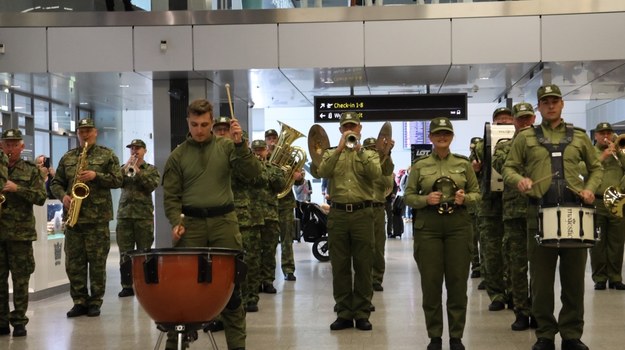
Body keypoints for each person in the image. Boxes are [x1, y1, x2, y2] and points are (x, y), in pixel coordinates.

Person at [503, 84, 602, 350]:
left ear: (562, 104)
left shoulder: (579, 137)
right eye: (545, 101)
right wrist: (519, 180)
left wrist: (591, 189)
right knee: (541, 281)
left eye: (554, 100)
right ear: (538, 106)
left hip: (574, 213)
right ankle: (545, 333)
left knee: (574, 280)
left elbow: (596, 168)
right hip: (539, 212)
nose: (550, 105)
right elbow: (508, 167)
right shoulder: (525, 138)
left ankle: (571, 334)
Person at [162, 99, 260, 350]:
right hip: (191, 223)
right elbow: (171, 197)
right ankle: (176, 345)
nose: (199, 129)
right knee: (181, 289)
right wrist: (175, 222)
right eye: (194, 124)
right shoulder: (178, 155)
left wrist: (241, 145)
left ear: (213, 122)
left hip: (223, 222)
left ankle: (237, 346)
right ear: (188, 122)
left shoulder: (228, 147)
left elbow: (251, 174)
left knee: (232, 290)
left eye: (205, 124)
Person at [404, 117, 480, 350]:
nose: (442, 137)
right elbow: (407, 196)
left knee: (457, 284)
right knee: (431, 284)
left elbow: (477, 194)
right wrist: (424, 199)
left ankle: (456, 337)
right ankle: (435, 337)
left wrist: (464, 198)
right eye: (438, 133)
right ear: (430, 138)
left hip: (458, 227)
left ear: (452, 136)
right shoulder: (419, 166)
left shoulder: (464, 164)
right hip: (429, 229)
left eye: (446, 133)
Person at [314, 111, 387, 332]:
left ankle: (363, 312)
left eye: (352, 127)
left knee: (364, 264)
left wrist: (359, 151)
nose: (349, 130)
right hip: (338, 214)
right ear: (340, 130)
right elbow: (321, 172)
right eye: (345, 127)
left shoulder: (369, 154)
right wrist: (337, 150)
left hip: (362, 214)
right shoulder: (329, 154)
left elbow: (375, 174)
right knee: (340, 265)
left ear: (359, 129)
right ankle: (344, 312)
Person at [50, 117, 123, 318]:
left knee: (98, 263)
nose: (85, 134)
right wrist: (63, 196)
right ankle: (79, 301)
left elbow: (119, 180)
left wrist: (96, 176)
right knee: (74, 264)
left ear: (95, 132)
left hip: (98, 219)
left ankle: (95, 301)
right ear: (78, 134)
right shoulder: (68, 157)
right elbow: (56, 182)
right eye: (82, 131)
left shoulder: (107, 155)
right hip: (74, 219)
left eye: (88, 130)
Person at [492, 102, 536, 331]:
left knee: (539, 267)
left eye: (528, 118)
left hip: (539, 210)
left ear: (534, 119)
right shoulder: (504, 146)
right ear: (515, 122)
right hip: (514, 212)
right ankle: (521, 310)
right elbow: (501, 165)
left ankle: (539, 311)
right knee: (517, 265)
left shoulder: (543, 143)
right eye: (521, 119)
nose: (525, 122)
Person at [0, 129, 46, 337]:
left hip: (20, 234)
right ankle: (1, 321)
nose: (10, 148)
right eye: (6, 144)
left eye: (14, 144)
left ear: (21, 146)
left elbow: (40, 197)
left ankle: (19, 321)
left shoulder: (30, 170)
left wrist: (16, 188)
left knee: (20, 279)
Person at [474, 107, 515, 310]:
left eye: (509, 119)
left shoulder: (522, 142)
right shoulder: (483, 144)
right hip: (490, 204)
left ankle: (515, 292)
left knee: (514, 252)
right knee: (492, 252)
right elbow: (480, 153)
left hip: (514, 204)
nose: (505, 122)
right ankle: (497, 294)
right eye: (500, 120)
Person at [116, 139, 160, 298]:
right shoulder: (124, 168)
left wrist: (138, 171)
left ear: (145, 151)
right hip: (125, 216)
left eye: (138, 148)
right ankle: (127, 285)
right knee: (125, 253)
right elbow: (116, 182)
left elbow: (152, 185)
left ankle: (146, 283)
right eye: (132, 148)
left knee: (145, 251)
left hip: (143, 216)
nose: (134, 151)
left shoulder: (151, 169)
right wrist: (126, 167)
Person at [588, 122, 625, 290]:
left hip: (617, 200)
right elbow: (581, 169)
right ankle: (600, 278)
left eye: (609, 133)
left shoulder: (620, 152)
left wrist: (620, 154)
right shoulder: (590, 152)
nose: (606, 136)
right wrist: (601, 158)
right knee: (597, 241)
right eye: (602, 133)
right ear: (595, 135)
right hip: (596, 199)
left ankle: (615, 277)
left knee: (617, 241)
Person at [265, 128, 300, 282]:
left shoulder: (289, 158)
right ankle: (267, 274)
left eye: (274, 138)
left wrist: (298, 177)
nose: (272, 141)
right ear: (266, 140)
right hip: (268, 203)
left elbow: (300, 180)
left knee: (287, 239)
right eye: (269, 138)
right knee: (269, 241)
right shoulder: (261, 157)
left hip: (285, 203)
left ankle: (288, 269)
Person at [362, 137, 395, 292]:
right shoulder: (359, 162)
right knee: (361, 247)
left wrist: (382, 161)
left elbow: (388, 184)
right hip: (361, 208)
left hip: (378, 208)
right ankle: (363, 277)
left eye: (374, 149)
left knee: (378, 246)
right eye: (368, 148)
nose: (371, 151)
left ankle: (376, 278)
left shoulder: (384, 164)